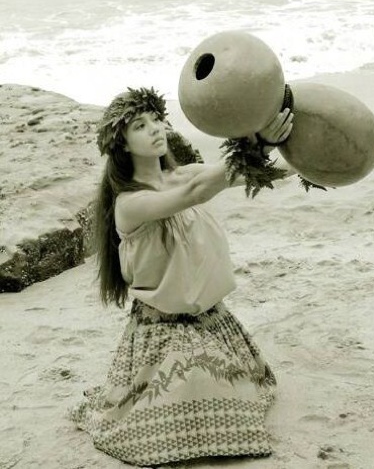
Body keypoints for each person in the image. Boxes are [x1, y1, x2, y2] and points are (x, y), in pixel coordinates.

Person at [69, 87, 295, 466]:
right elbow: (197, 191)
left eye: (157, 119)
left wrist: (294, 148)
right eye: (140, 125)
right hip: (163, 331)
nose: (155, 129)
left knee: (233, 403)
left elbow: (258, 173)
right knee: (195, 411)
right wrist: (255, 143)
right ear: (121, 144)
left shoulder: (183, 173)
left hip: (213, 322)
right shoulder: (129, 204)